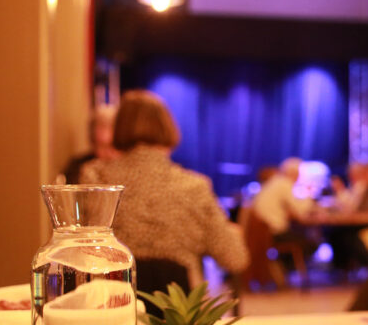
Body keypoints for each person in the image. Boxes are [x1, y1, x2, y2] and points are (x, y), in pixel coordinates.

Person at [80, 90, 248, 292]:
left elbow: (83, 253)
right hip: (178, 316)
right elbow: (235, 259)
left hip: (113, 306)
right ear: (168, 129)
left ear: (120, 129)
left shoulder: (96, 180)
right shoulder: (193, 187)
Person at [251, 157, 312, 242]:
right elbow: (301, 210)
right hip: (274, 231)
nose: (299, 178)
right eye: (298, 174)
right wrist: (309, 193)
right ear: (293, 173)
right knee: (311, 243)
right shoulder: (285, 183)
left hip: (264, 230)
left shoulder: (275, 181)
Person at [60, 104, 118, 184]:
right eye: (102, 146)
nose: (107, 153)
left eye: (111, 145)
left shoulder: (128, 170)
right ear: (93, 143)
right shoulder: (77, 167)